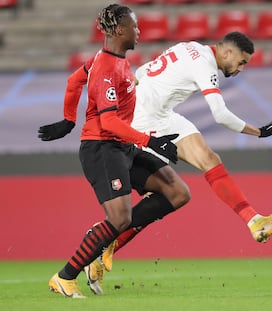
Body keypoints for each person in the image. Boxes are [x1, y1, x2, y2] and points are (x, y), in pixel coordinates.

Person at [65, 31, 272, 294]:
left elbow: (142, 72)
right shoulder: (205, 64)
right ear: (227, 53)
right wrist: (260, 132)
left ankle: (254, 220)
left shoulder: (189, 47)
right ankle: (105, 242)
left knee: (209, 160)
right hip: (143, 120)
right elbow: (220, 115)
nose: (241, 69)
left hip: (161, 114)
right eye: (241, 62)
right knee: (167, 193)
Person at [38, 4, 190, 298]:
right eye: (134, 26)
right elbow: (107, 121)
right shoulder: (107, 68)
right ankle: (64, 277)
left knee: (177, 192)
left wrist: (69, 120)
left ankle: (105, 238)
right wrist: (150, 141)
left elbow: (73, 82)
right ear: (120, 30)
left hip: (122, 146)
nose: (139, 31)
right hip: (102, 149)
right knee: (119, 219)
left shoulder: (108, 60)